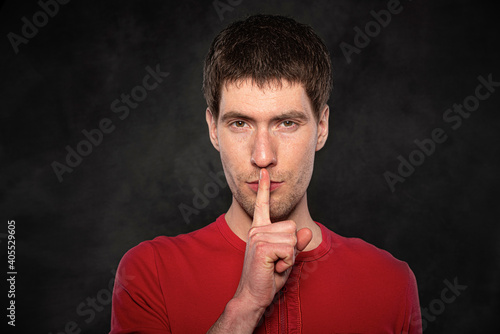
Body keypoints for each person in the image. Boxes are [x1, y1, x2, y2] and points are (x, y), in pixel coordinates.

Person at [110, 14, 422, 333]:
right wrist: (246, 305)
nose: (263, 156)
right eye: (240, 124)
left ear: (322, 127)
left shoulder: (391, 282)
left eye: (286, 123)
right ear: (213, 129)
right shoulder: (150, 272)